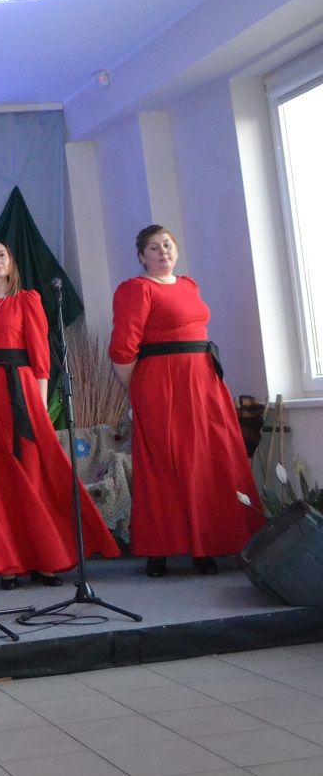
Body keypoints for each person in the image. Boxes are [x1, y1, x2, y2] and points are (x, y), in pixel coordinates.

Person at [0, 241, 120, 588]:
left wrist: (40, 404)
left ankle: (45, 559)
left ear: (11, 262)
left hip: (23, 392)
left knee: (33, 474)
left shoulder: (27, 300)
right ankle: (7, 563)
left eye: (2, 255)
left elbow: (40, 357)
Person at [109, 225, 266, 576]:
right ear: (141, 257)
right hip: (161, 385)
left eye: (167, 244)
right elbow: (122, 349)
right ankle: (159, 550)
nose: (163, 251)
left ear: (175, 249)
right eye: (153, 247)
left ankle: (206, 546)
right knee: (165, 463)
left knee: (209, 459)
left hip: (204, 381)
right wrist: (137, 392)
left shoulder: (189, 285)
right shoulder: (136, 289)